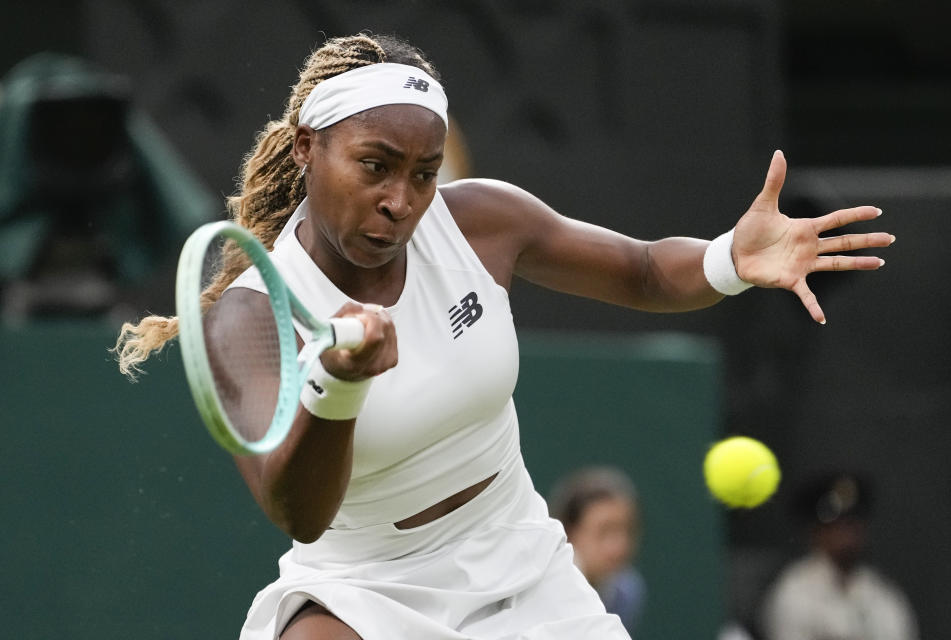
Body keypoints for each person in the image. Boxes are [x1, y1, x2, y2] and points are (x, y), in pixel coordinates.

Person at [113, 33, 894, 640]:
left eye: (422, 172)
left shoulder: (478, 219)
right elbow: (296, 509)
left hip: (523, 559)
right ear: (304, 149)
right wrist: (339, 384)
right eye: (374, 166)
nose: (401, 200)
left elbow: (646, 273)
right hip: (366, 586)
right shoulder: (248, 319)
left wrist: (730, 258)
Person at [758, 472, 919, 640]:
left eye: (852, 524)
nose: (847, 535)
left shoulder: (882, 594)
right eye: (838, 526)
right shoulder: (794, 591)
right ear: (817, 532)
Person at [549, 467, 647, 633]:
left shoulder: (625, 593)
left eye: (627, 530)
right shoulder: (540, 586)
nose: (619, 546)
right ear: (569, 532)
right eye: (605, 531)